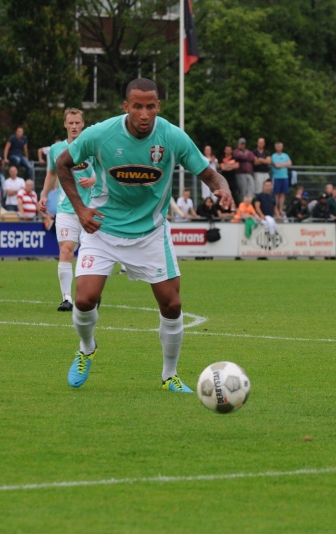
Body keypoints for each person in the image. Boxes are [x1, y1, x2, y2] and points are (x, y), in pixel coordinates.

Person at [54, 77, 233, 393]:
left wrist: (223, 187)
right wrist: (80, 209)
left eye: (150, 106)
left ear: (158, 106)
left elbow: (208, 173)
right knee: (84, 299)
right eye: (137, 106)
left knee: (172, 304)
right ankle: (86, 349)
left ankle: (169, 375)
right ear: (126, 106)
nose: (144, 113)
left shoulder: (173, 137)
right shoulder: (101, 134)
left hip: (151, 234)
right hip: (104, 229)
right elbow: (62, 164)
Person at [39, 108, 97, 312]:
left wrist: (93, 179)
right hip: (65, 209)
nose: (74, 126)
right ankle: (66, 298)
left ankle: (91, 295)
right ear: (65, 124)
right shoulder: (56, 149)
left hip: (90, 209)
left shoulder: (91, 147)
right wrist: (44, 195)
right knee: (65, 249)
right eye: (70, 123)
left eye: (77, 123)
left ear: (83, 124)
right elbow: (51, 174)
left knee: (91, 256)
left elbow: (105, 172)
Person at [271, 141, 291, 217]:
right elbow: (276, 165)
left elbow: (290, 163)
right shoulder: (274, 156)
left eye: (280, 146)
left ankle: (281, 210)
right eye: (277, 146)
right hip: (276, 177)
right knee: (276, 194)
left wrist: (281, 164)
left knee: (283, 194)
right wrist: (285, 164)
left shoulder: (285, 155)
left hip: (285, 177)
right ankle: (275, 209)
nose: (279, 148)